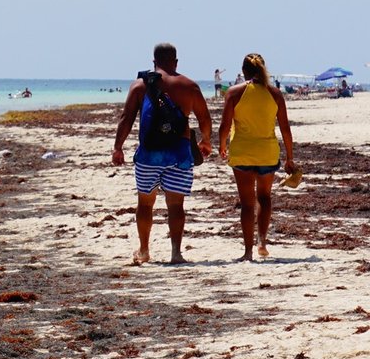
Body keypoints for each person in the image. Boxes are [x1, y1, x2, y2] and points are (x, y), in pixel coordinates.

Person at [111, 43, 213, 266]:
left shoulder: (140, 86)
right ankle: (176, 253)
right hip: (179, 153)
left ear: (153, 62)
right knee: (176, 206)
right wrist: (206, 141)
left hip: (149, 155)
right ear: (176, 61)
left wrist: (118, 147)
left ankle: (145, 250)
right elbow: (204, 118)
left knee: (145, 204)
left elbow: (126, 118)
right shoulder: (189, 86)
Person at [217, 53, 296, 262]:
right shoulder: (275, 93)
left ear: (244, 71)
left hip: (242, 151)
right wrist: (290, 157)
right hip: (267, 152)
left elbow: (224, 126)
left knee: (247, 203)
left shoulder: (234, 92)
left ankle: (248, 252)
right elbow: (286, 129)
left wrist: (221, 146)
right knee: (264, 197)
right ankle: (262, 242)